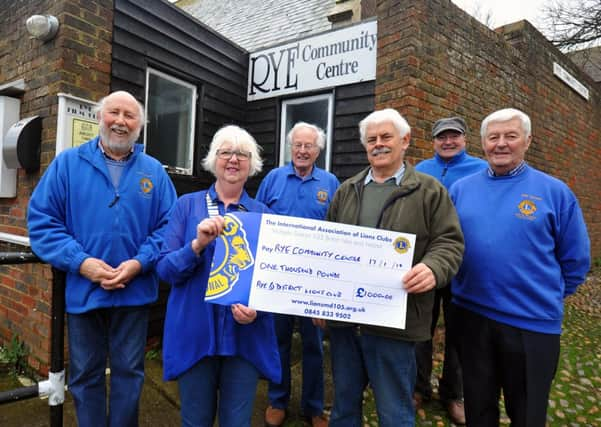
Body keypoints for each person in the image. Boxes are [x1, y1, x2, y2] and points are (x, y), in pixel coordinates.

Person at [27, 90, 177, 426]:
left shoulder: (154, 171)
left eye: (130, 115)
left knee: (129, 374)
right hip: (84, 293)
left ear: (141, 125)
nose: (121, 121)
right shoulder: (67, 164)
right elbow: (41, 221)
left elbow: (170, 227)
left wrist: (140, 263)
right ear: (99, 117)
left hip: (134, 293)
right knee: (84, 376)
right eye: (114, 113)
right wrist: (82, 263)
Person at [316, 108, 465, 426]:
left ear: (405, 140)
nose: (378, 144)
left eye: (386, 137)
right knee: (343, 404)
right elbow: (328, 248)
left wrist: (433, 268)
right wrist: (319, 299)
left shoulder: (429, 191)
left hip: (396, 324)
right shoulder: (347, 190)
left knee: (394, 409)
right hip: (345, 322)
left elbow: (449, 242)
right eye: (372, 139)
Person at [449, 108, 591, 427]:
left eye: (510, 136)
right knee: (478, 408)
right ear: (482, 143)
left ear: (527, 141)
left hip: (532, 324)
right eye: (493, 137)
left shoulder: (555, 193)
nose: (501, 144)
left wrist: (541, 294)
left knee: (527, 414)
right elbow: (447, 244)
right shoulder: (461, 189)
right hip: (471, 316)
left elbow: (576, 262)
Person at [157, 125, 281, 427]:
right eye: (226, 152)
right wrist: (197, 245)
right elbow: (165, 270)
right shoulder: (187, 206)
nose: (234, 159)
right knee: (195, 421)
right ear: (214, 159)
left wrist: (258, 309)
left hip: (244, 338)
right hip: (195, 333)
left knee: (236, 422)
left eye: (242, 154)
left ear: (252, 164)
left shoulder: (263, 215)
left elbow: (273, 281)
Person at [256, 122, 339, 427]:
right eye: (298, 145)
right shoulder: (273, 179)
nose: (303, 151)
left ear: (319, 150)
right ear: (291, 148)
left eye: (309, 146)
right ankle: (277, 400)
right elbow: (258, 218)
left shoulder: (330, 183)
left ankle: (314, 407)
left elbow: (339, 231)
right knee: (277, 342)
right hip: (278, 278)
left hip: (314, 283)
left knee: (314, 345)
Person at [413, 116, 487, 424]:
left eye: (454, 136)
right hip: (424, 263)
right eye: (442, 137)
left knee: (460, 335)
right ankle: (418, 387)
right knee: (420, 330)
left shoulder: (481, 170)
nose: (448, 141)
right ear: (433, 141)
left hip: (463, 264)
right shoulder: (419, 171)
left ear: (465, 139)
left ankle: (454, 393)